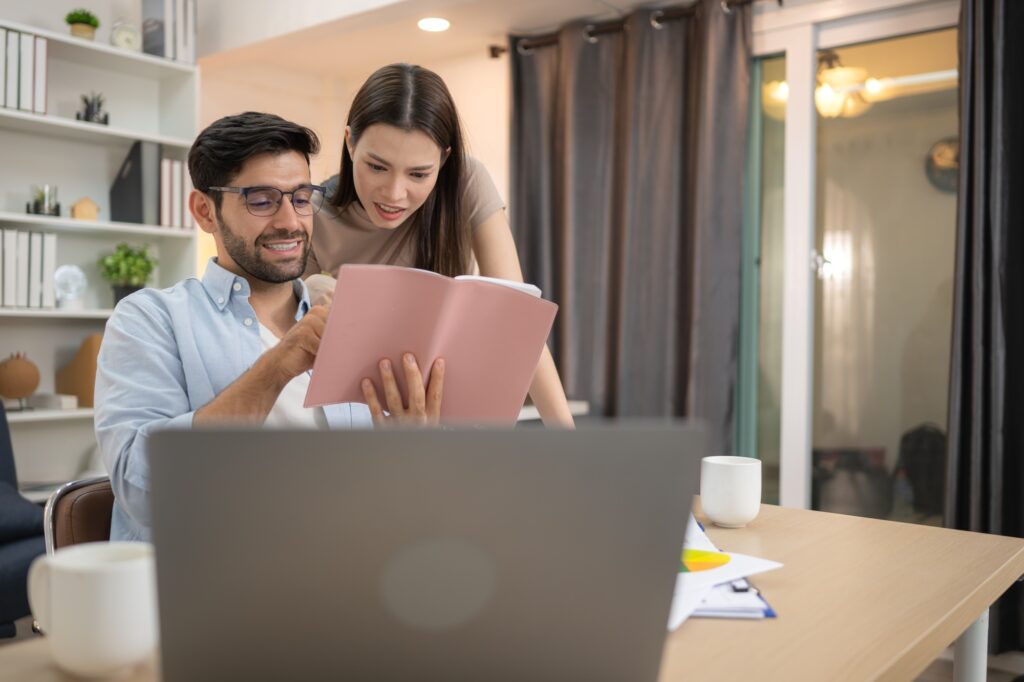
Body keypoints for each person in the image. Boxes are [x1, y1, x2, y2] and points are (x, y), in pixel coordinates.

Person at [95, 112, 444, 542]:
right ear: (205, 211)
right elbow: (141, 491)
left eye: (301, 198)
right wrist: (279, 364)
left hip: (343, 577)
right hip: (216, 589)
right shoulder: (151, 319)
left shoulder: (349, 319)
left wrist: (408, 450)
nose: (290, 221)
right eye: (261, 200)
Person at [305, 63, 575, 427]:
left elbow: (521, 322)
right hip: (361, 416)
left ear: (444, 159)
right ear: (350, 143)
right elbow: (289, 343)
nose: (394, 194)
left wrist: (568, 439)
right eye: (377, 167)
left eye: (418, 174)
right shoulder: (315, 214)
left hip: (456, 410)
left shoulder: (466, 181)